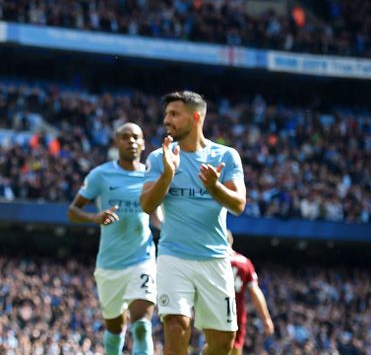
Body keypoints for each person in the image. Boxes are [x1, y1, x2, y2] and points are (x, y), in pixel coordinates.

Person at [140, 91, 246, 355]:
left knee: (224, 341)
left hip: (215, 258)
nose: (167, 120)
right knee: (176, 326)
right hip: (173, 256)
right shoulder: (158, 158)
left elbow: (238, 205)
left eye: (174, 114)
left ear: (196, 117)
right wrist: (167, 175)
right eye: (166, 114)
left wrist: (214, 187)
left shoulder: (227, 156)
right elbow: (147, 206)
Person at [68, 123, 158, 355]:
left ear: (143, 143)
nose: (131, 141)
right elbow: (73, 211)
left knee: (141, 326)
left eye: (136, 137)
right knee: (115, 329)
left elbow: (157, 216)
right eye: (125, 137)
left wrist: (169, 230)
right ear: (117, 143)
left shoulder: (151, 176)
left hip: (142, 257)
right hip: (109, 264)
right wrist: (95, 217)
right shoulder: (100, 174)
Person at [226, 232, 273, 355]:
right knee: (235, 348)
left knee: (212, 345)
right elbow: (255, 292)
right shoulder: (243, 262)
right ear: (231, 241)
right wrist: (266, 319)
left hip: (213, 310)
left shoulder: (211, 260)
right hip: (234, 313)